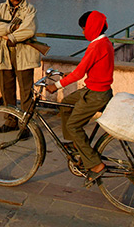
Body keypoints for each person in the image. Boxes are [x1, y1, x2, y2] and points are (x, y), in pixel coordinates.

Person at [46, 10, 114, 186]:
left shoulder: (95, 46)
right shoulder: (105, 42)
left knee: (73, 125)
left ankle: (96, 165)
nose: (83, 33)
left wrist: (56, 85)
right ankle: (77, 145)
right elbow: (90, 68)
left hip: (96, 95)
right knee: (66, 103)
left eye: (84, 29)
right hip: (96, 89)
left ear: (90, 28)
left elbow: (78, 73)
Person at [0, 0, 41, 136]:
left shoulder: (29, 10)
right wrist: (12, 27)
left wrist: (10, 36)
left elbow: (29, 30)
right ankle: (10, 121)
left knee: (26, 93)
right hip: (5, 56)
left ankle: (25, 126)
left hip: (24, 55)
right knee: (7, 91)